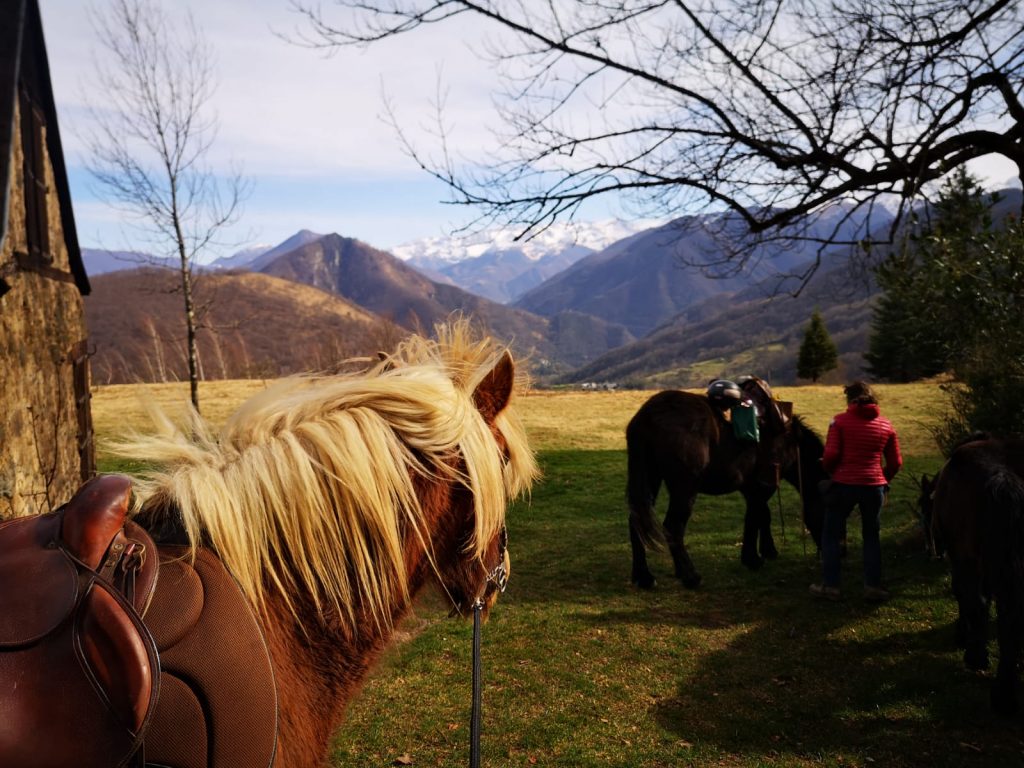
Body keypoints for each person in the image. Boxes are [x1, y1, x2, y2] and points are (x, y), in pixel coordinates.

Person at [810, 381, 902, 602]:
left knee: (831, 534)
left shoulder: (839, 422)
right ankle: (872, 586)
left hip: (844, 485)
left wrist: (829, 469)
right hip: (874, 488)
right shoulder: (886, 425)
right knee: (871, 535)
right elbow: (896, 462)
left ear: (849, 400)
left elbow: (831, 456)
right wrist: (882, 479)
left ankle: (831, 586)